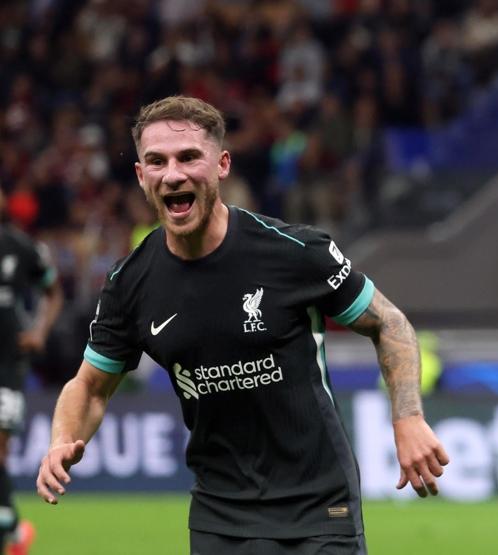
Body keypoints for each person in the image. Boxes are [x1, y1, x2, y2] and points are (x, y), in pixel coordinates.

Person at [33, 96, 449, 554]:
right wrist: (60, 442)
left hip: (318, 507)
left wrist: (407, 417)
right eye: (157, 161)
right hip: (219, 515)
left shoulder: (293, 252)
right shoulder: (129, 283)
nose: (173, 173)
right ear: (141, 176)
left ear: (222, 165)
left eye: (189, 157)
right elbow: (91, 386)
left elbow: (388, 323)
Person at [0, 188, 62, 555]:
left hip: (6, 365)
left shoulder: (19, 248)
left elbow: (53, 291)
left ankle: (9, 523)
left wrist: (39, 330)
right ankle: (13, 525)